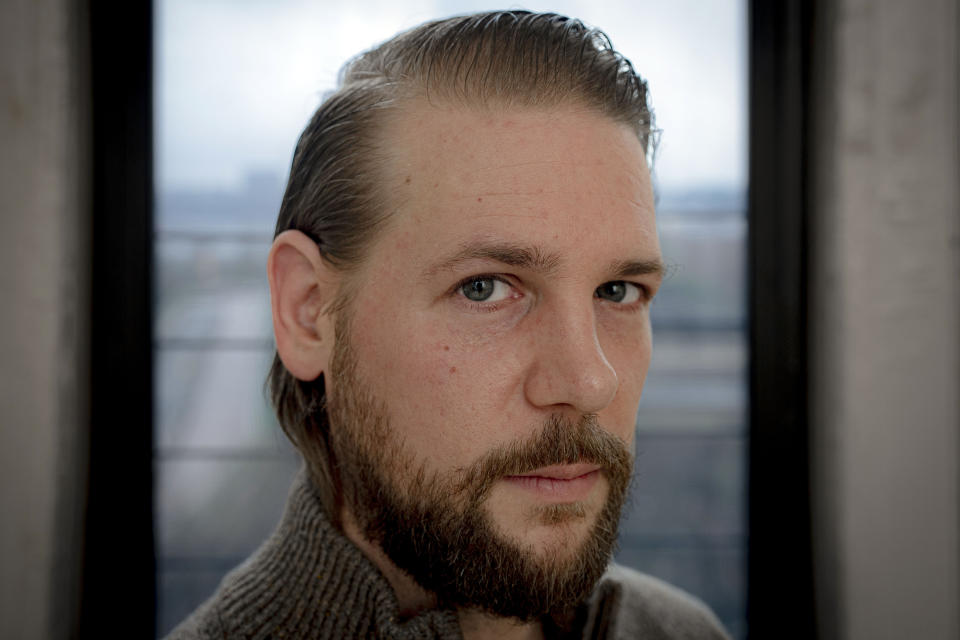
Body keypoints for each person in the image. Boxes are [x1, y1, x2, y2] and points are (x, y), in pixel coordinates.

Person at [168, 10, 730, 640]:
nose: (589, 381)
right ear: (307, 312)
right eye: (484, 288)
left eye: (618, 291)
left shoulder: (681, 631)